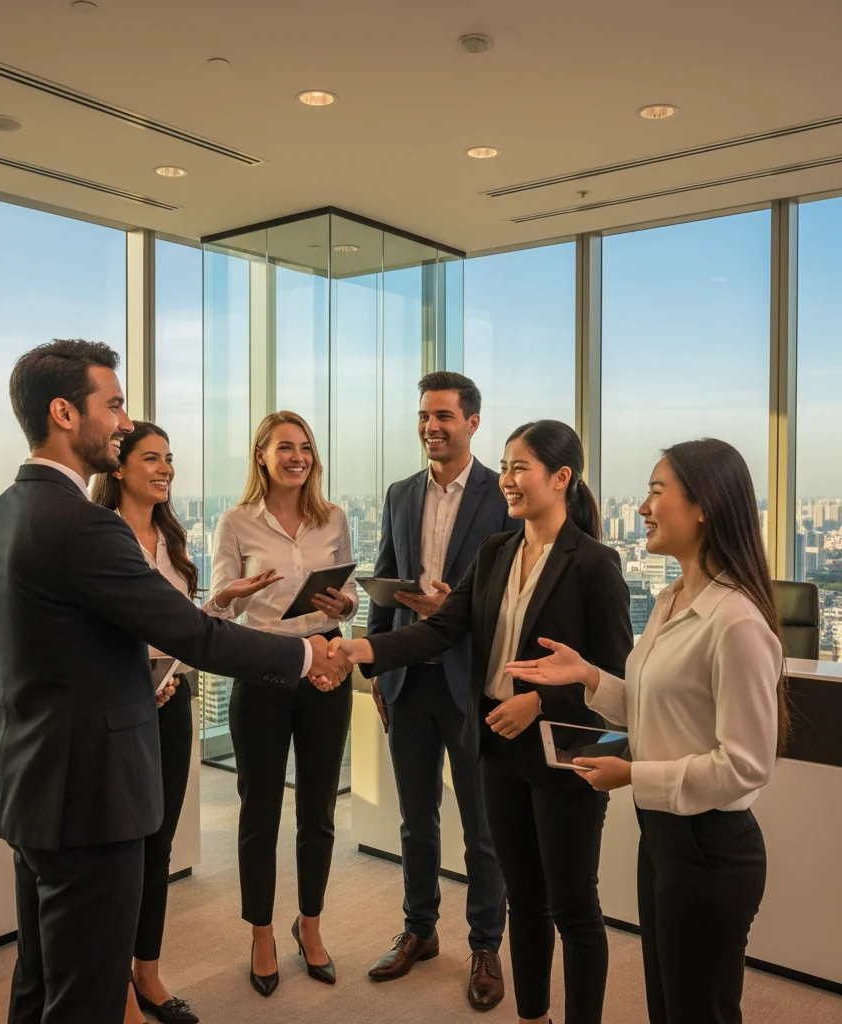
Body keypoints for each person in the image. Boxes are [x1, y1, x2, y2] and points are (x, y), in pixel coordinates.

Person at [0, 340, 348, 1024]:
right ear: (63, 413)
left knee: (37, 986)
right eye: (112, 404)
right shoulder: (86, 527)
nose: (123, 420)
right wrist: (304, 657)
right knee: (84, 997)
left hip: (28, 791)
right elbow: (193, 634)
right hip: (90, 801)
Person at [331, 420, 633, 1024]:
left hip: (563, 754)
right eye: (507, 466)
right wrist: (367, 650)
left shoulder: (595, 563)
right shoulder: (496, 553)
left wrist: (541, 703)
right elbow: (445, 627)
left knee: (573, 906)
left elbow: (614, 679)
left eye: (520, 467)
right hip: (497, 744)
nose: (508, 480)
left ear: (561, 478)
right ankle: (533, 1016)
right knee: (524, 900)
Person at [504, 439, 786, 1024]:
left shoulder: (736, 623)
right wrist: (588, 677)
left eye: (657, 492)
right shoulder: (669, 600)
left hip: (711, 848)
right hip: (662, 839)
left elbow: (746, 765)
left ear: (703, 505)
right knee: (668, 1004)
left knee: (698, 1009)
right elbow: (654, 708)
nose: (642, 509)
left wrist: (633, 774)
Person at [91, 422, 283, 1024]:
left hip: (172, 703)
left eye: (169, 459)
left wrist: (225, 601)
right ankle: (116, 986)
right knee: (119, 853)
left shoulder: (172, 539)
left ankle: (147, 973)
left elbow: (183, 625)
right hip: (120, 710)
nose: (165, 469)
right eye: (152, 459)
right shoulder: (101, 537)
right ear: (118, 468)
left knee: (158, 844)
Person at [363, 371, 519, 1012]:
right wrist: (373, 667)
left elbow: (513, 594)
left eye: (444, 416)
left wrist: (449, 608)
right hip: (407, 678)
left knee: (483, 826)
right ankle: (420, 929)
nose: (432, 426)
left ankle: (485, 944)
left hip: (471, 678)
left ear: (473, 422)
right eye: (425, 415)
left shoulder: (501, 496)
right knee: (414, 818)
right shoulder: (401, 493)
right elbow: (382, 579)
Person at [208, 410, 359, 997]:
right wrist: (235, 592)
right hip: (264, 672)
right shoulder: (236, 522)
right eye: (285, 448)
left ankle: (310, 925)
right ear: (261, 456)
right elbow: (219, 611)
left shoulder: (335, 518)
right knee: (260, 812)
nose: (298, 457)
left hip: (324, 669)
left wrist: (342, 609)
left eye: (306, 448)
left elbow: (346, 601)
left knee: (318, 809)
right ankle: (262, 932)